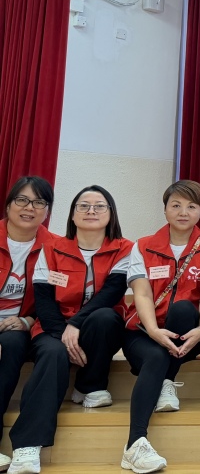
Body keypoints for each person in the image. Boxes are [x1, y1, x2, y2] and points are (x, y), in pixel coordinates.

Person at [8, 185, 133, 474]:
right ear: (73, 215)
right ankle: (27, 446)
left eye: (99, 206)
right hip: (53, 327)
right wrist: (61, 334)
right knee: (52, 353)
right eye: (83, 206)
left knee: (105, 317)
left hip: (95, 327)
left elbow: (111, 294)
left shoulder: (125, 248)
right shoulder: (52, 248)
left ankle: (89, 385)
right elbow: (43, 300)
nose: (91, 211)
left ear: (111, 214)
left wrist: (75, 324)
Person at [119, 180, 200, 474]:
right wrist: (153, 331)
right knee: (156, 355)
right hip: (143, 334)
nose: (183, 212)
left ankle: (167, 380)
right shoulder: (142, 246)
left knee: (184, 308)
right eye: (176, 205)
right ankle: (135, 444)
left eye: (191, 206)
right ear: (165, 210)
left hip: (190, 334)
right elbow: (142, 294)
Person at [0, 177, 56, 474]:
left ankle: (22, 447)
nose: (29, 208)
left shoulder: (56, 247)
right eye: (22, 200)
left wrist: (29, 320)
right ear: (8, 205)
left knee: (12, 343)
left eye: (38, 202)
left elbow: (59, 299)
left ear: (47, 211)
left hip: (26, 327)